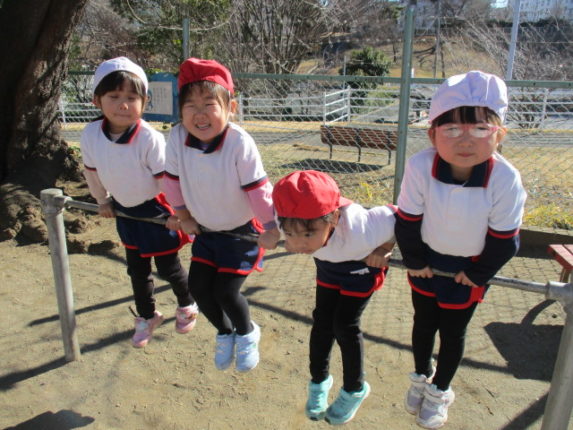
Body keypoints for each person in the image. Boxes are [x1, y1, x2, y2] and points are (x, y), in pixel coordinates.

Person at [395, 71, 527, 429]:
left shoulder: (505, 178)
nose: (465, 140)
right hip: (427, 260)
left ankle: (440, 389)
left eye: (481, 129)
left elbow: (505, 240)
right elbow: (407, 221)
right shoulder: (421, 166)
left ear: (499, 134)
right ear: (432, 135)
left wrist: (478, 273)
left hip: (470, 267)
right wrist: (415, 260)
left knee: (453, 331)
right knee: (423, 322)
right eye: (451, 129)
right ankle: (421, 375)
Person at [163, 58, 280, 372]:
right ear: (180, 111)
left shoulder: (238, 142)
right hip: (205, 230)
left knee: (226, 291)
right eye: (190, 105)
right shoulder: (176, 138)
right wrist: (183, 215)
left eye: (209, 104)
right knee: (199, 289)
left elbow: (257, 189)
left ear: (231, 108)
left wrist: (271, 227)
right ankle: (225, 332)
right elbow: (171, 181)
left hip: (241, 231)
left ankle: (247, 333)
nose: (199, 114)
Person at [80, 57, 198, 349]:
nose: (123, 105)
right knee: (137, 270)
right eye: (114, 96)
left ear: (144, 102)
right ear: (97, 100)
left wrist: (179, 213)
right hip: (124, 209)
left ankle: (187, 304)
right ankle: (147, 316)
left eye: (132, 98)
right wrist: (102, 200)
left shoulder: (149, 138)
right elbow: (91, 172)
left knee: (168, 267)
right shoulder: (91, 135)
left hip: (157, 208)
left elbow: (167, 180)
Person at [272, 170, 396, 425]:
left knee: (344, 325)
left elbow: (399, 216)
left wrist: (385, 248)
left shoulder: (361, 228)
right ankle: (319, 382)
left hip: (360, 270)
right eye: (291, 233)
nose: (300, 243)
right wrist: (280, 236)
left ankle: (354, 389)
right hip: (329, 268)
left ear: (335, 218)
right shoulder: (285, 218)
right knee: (322, 323)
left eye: (308, 234)